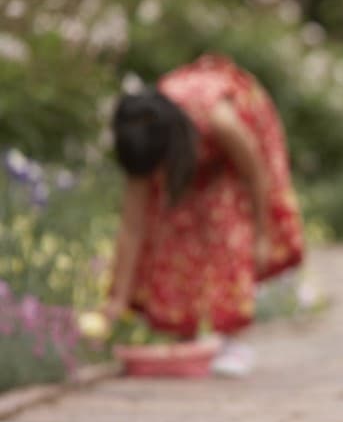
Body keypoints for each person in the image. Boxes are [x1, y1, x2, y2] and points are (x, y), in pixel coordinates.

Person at [103, 54, 304, 376]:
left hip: (243, 145)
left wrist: (263, 237)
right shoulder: (141, 136)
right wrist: (117, 300)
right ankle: (187, 334)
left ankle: (232, 340)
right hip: (188, 147)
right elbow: (133, 226)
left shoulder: (219, 120)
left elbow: (256, 176)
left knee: (224, 224)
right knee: (172, 227)